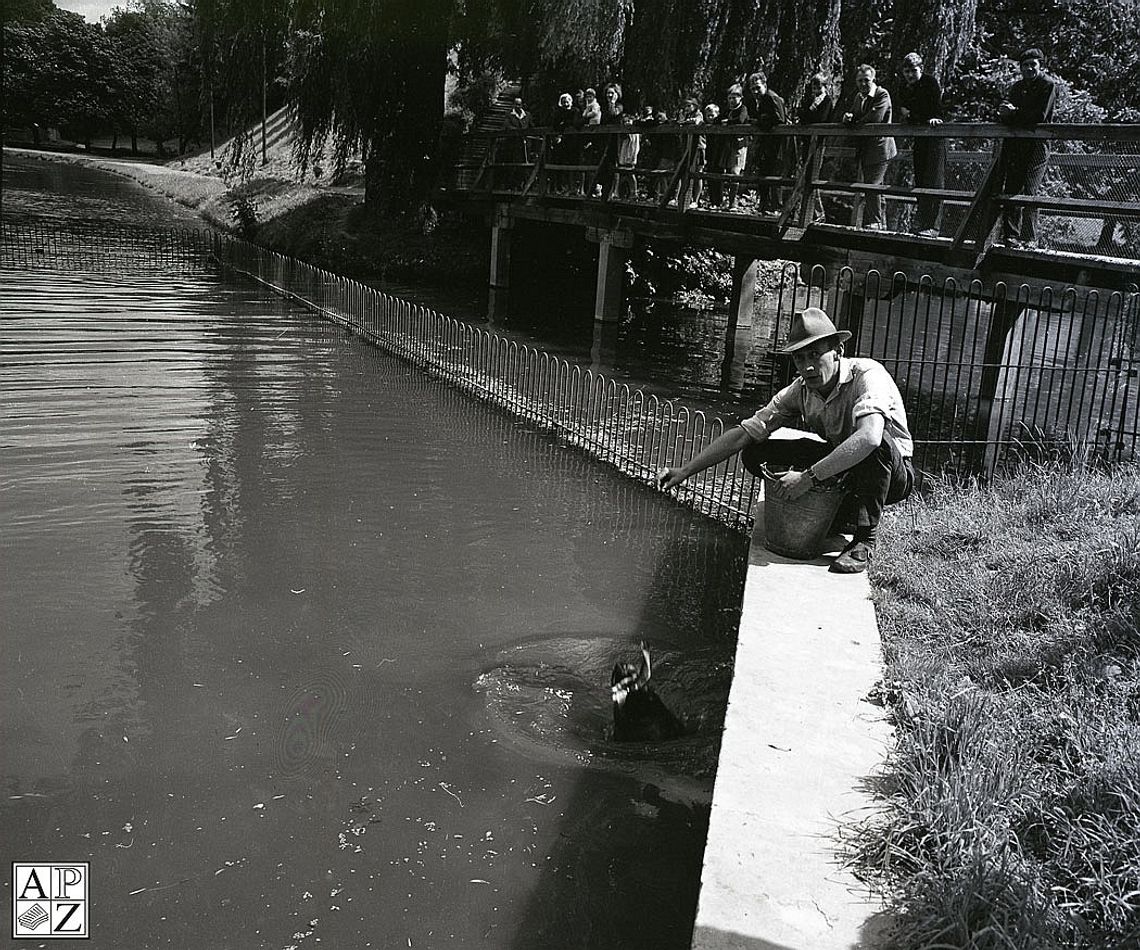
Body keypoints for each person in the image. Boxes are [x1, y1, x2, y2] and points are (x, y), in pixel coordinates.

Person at [658, 307, 914, 573]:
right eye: (800, 358)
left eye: (815, 354)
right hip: (845, 468)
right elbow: (745, 433)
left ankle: (864, 540)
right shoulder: (800, 389)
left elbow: (870, 437)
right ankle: (837, 512)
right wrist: (685, 470)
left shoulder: (868, 375)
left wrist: (808, 478)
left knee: (875, 443)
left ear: (838, 351)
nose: (808, 367)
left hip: (890, 474)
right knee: (755, 451)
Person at [996, 47, 1058, 246]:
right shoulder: (1017, 87)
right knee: (1012, 187)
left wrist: (1015, 113)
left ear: (1041, 66)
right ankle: (1011, 236)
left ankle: (1029, 238)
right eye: (1025, 65)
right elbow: (1010, 115)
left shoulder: (1048, 85)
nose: (1029, 68)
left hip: (1037, 144)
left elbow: (1039, 116)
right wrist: (1004, 112)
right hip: (1017, 144)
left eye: (1033, 65)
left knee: (1030, 190)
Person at [843, 64, 896, 230]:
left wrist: (855, 121)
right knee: (875, 186)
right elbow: (853, 114)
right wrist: (848, 117)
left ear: (873, 79)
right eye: (859, 81)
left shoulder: (882, 94)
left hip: (881, 148)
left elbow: (875, 118)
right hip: (867, 149)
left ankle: (874, 222)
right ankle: (882, 223)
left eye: (866, 80)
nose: (863, 84)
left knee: (871, 185)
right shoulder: (859, 97)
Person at [897, 52, 945, 237]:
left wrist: (919, 116)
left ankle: (933, 226)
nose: (910, 75)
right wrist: (911, 116)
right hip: (920, 137)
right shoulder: (905, 88)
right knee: (921, 180)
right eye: (907, 71)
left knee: (934, 180)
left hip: (934, 136)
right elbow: (906, 114)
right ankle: (921, 223)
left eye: (913, 71)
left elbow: (934, 110)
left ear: (921, 69)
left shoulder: (930, 83)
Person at [746, 71, 788, 213]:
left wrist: (759, 122)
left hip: (776, 144)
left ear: (765, 85)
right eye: (753, 89)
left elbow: (779, 119)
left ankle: (774, 207)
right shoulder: (760, 101)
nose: (756, 91)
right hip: (766, 144)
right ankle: (764, 205)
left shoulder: (772, 98)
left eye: (758, 87)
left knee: (773, 175)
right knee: (763, 173)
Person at [797, 73, 834, 222]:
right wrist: (806, 114)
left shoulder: (826, 101)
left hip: (818, 143)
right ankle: (810, 212)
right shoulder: (810, 100)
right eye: (814, 86)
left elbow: (821, 119)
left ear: (825, 86)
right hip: (808, 141)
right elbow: (802, 117)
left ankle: (818, 213)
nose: (816, 89)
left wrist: (807, 114)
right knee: (807, 176)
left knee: (813, 176)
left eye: (819, 86)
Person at [721, 84, 750, 210]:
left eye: (735, 97)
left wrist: (728, 123)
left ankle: (733, 202)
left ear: (740, 98)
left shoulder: (743, 109)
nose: (732, 100)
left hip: (739, 144)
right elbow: (717, 119)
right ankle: (726, 200)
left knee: (735, 172)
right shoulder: (728, 111)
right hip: (728, 145)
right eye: (730, 97)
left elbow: (741, 120)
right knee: (727, 172)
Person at [703, 102, 725, 207]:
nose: (710, 118)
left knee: (718, 177)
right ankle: (712, 201)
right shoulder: (706, 127)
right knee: (710, 177)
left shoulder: (720, 126)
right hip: (709, 154)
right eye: (708, 116)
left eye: (712, 115)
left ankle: (718, 201)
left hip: (719, 154)